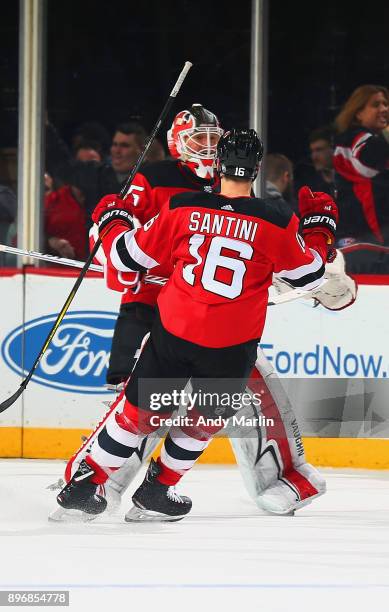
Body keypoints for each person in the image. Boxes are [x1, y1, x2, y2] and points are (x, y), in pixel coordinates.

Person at [55, 128, 338, 522]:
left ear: (217, 166)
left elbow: (125, 256)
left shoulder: (184, 207)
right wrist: (319, 227)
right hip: (230, 345)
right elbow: (310, 275)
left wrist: (112, 219)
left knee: (138, 416)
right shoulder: (277, 220)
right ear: (256, 170)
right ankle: (159, 488)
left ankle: (87, 483)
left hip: (174, 333)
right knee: (202, 423)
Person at [103, 104, 224, 385]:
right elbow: (120, 224)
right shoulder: (153, 178)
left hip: (202, 304)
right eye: (198, 137)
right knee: (130, 384)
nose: (207, 146)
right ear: (177, 142)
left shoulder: (230, 183)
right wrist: (115, 260)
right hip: (148, 297)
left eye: (213, 138)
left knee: (196, 388)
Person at [333, 84, 389, 272]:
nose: (384, 109)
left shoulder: (347, 141)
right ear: (358, 113)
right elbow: (373, 152)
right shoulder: (361, 140)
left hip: (359, 239)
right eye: (376, 105)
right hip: (369, 242)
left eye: (385, 104)